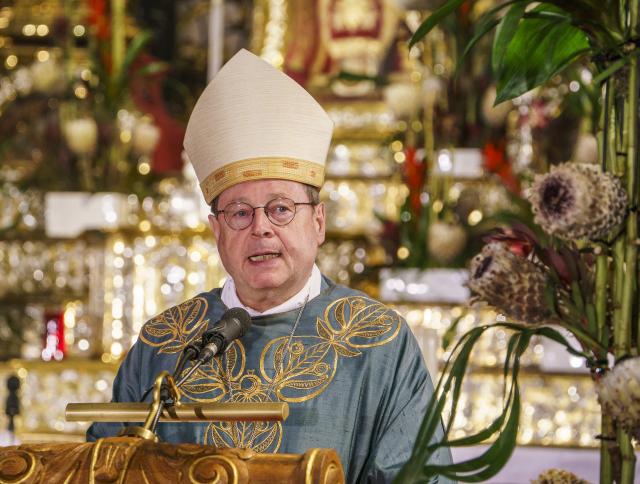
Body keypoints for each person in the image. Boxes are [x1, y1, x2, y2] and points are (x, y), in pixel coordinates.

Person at [88, 49, 453, 483]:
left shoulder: (378, 343)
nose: (260, 228)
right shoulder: (166, 346)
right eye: (240, 213)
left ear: (318, 222)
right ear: (216, 231)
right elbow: (102, 467)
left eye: (280, 208)